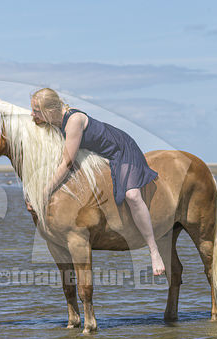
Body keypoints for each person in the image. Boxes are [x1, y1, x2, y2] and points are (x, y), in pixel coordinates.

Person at [29, 87, 165, 276]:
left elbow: (67, 163)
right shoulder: (54, 121)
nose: (32, 114)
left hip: (121, 150)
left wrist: (44, 192)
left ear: (50, 110)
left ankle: (154, 251)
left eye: (36, 110)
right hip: (102, 155)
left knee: (132, 195)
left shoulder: (73, 121)